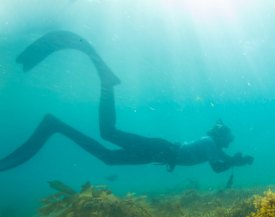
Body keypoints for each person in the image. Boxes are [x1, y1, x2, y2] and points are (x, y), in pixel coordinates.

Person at [0, 31, 254, 173]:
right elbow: (217, 168)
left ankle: (55, 125)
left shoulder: (214, 146)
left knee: (108, 153)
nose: (230, 141)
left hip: (159, 153)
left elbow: (221, 161)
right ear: (221, 136)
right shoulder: (211, 143)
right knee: (108, 133)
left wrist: (236, 161)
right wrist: (234, 162)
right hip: (161, 150)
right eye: (229, 138)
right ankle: (105, 85)